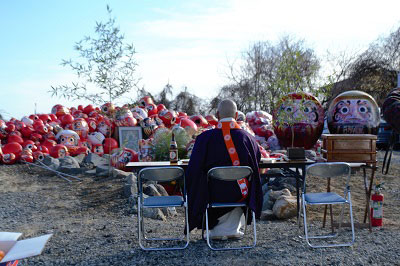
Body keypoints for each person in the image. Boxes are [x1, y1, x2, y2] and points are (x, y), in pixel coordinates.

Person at [186, 99, 263, 239]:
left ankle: (213, 229)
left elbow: (193, 170)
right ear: (237, 115)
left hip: (211, 194)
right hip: (241, 194)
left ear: (217, 115)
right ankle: (233, 229)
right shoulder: (249, 139)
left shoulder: (204, 139)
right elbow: (256, 166)